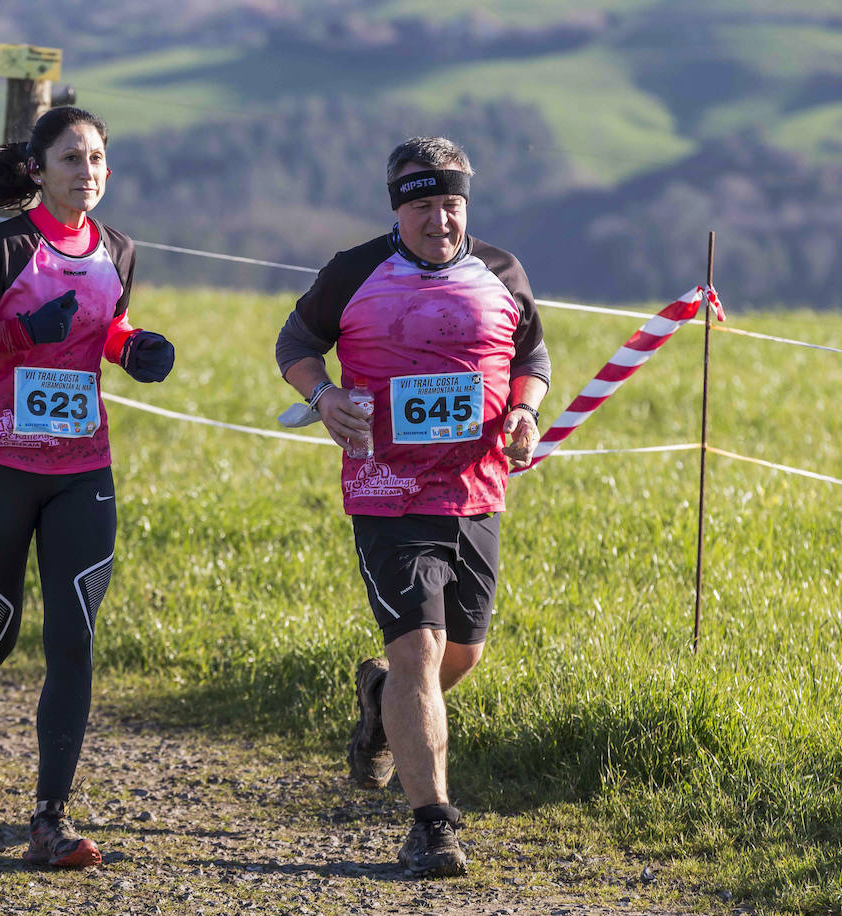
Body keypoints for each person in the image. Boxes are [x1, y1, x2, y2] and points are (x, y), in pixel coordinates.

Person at [0, 106, 175, 869]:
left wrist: (131, 347)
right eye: (72, 159)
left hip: (82, 470)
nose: (88, 172)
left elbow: (102, 326)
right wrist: (13, 335)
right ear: (39, 171)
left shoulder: (119, 250)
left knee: (73, 640)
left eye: (97, 159)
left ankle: (49, 818)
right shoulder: (8, 246)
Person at [275, 137, 549, 877]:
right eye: (423, 205)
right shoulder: (355, 271)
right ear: (398, 207)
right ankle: (433, 827)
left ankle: (378, 703)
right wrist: (323, 395)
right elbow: (296, 340)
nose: (439, 221)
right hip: (387, 489)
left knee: (462, 653)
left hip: (476, 488)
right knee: (419, 653)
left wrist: (525, 413)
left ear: (467, 204)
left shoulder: (501, 271)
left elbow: (531, 358)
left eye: (451, 204)